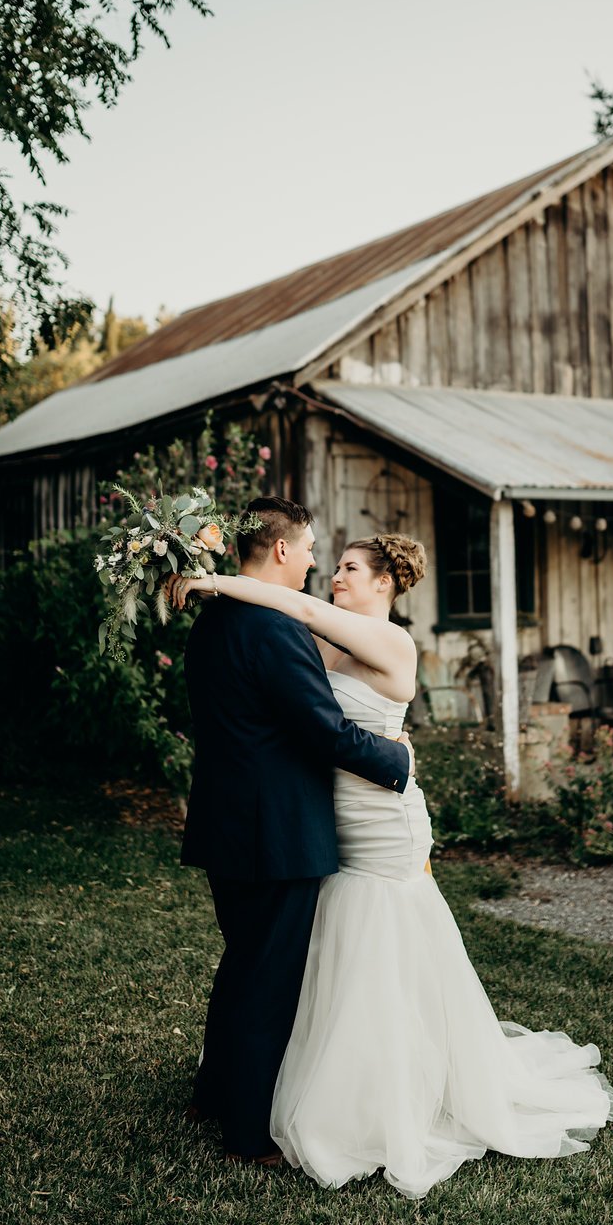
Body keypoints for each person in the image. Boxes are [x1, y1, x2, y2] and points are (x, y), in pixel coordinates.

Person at [172, 526, 613, 1199]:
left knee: (383, 937)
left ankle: (398, 1088)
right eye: (334, 566)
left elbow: (289, 606)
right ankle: (315, 1078)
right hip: (331, 817)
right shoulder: (327, 639)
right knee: (333, 946)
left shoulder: (389, 640)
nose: (336, 577)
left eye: (351, 568)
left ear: (385, 582)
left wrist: (208, 579)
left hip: (384, 817)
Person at [176, 497, 413, 1166]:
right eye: (309, 548)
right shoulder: (274, 629)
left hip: (225, 823)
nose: (314, 560)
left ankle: (212, 1093)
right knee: (268, 981)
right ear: (280, 550)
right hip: (275, 832)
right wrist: (398, 758)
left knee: (243, 962)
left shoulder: (214, 620)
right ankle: (248, 1137)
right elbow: (323, 731)